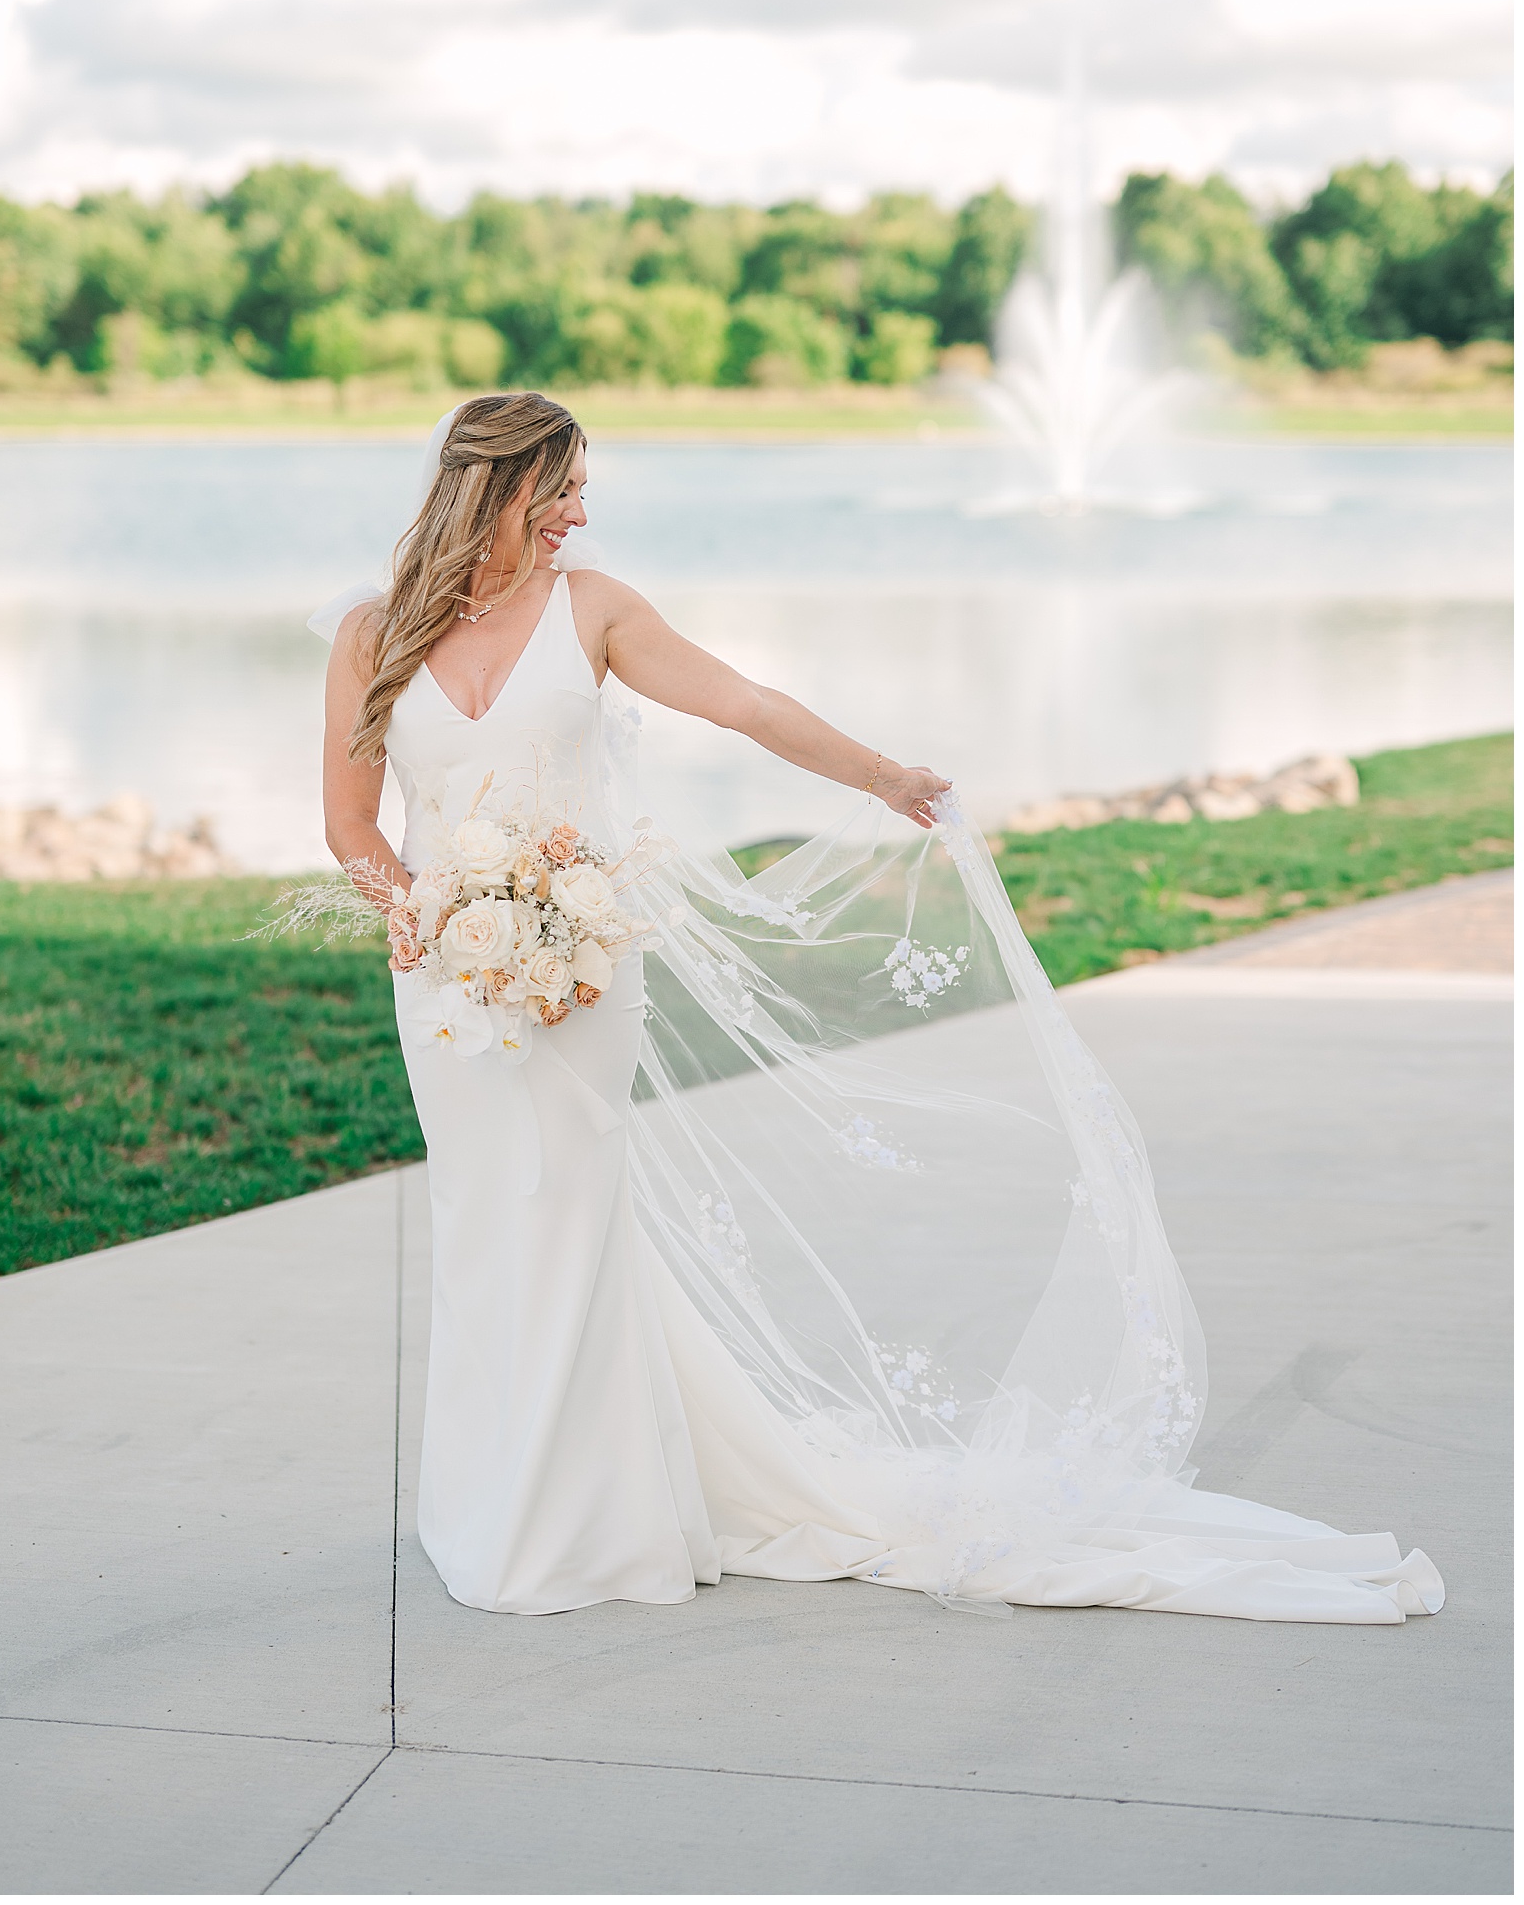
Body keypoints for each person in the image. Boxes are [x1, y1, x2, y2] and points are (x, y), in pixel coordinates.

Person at [315, 391, 1443, 1625]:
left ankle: (581, 1523)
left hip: (583, 972)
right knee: (485, 1227)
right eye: (566, 485)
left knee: (569, 1219)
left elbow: (740, 704)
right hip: (445, 986)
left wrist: (883, 773)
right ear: (501, 486)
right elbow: (352, 823)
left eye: (585, 486)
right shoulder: (374, 631)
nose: (582, 507)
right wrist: (417, 910)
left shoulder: (595, 607)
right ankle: (494, 1500)